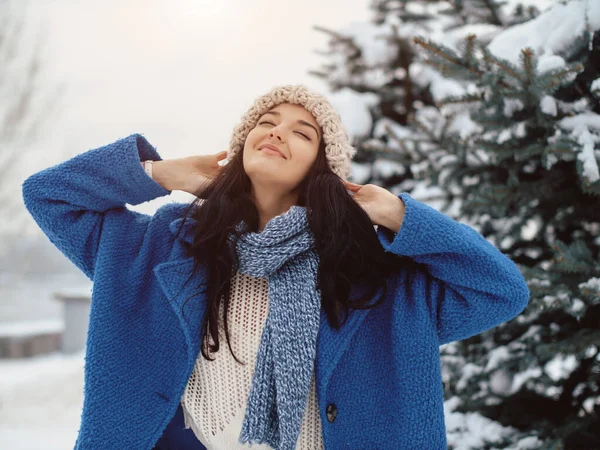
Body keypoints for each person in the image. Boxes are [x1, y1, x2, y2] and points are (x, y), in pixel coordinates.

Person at [21, 84, 530, 450]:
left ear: (323, 168)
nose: (277, 133)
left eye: (301, 132)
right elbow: (48, 196)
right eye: (266, 124)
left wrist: (402, 216)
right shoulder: (160, 247)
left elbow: (500, 290)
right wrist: (154, 174)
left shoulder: (373, 274)